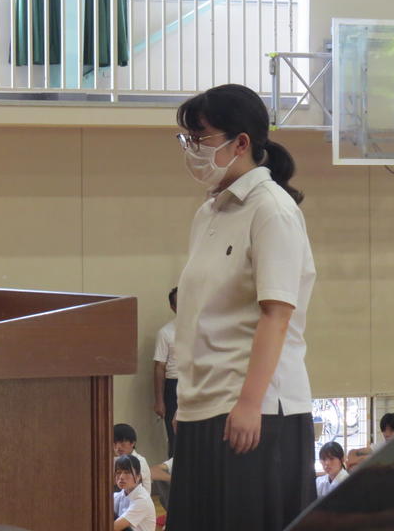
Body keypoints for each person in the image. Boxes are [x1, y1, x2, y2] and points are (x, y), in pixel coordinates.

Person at [168, 84, 317, 530]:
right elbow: (200, 317)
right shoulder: (208, 214)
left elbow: (277, 314)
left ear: (241, 143)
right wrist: (187, 402)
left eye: (201, 138)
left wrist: (250, 402)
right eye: (188, 139)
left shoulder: (272, 210)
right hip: (203, 405)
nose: (193, 150)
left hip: (256, 410)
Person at [153, 287, 179, 457]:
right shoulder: (166, 332)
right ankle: (175, 471)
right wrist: (159, 401)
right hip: (174, 385)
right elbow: (159, 367)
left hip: (199, 383)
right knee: (175, 436)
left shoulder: (204, 328)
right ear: (173, 307)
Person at [113, 454, 156, 531]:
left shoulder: (142, 500)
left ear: (138, 476)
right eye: (118, 472)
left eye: (127, 472)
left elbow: (114, 527)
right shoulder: (120, 495)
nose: (121, 477)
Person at [113, 423, 152, 493]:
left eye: (122, 442)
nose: (118, 447)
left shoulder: (140, 461)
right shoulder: (115, 460)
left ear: (133, 443)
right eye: (115, 443)